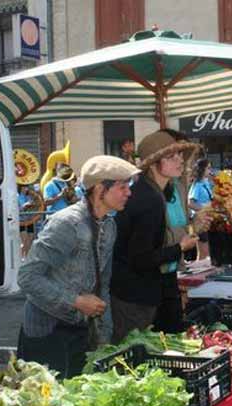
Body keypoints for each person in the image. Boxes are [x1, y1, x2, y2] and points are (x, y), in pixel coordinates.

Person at [17, 155, 140, 378]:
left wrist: (104, 342)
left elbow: (103, 288)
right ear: (101, 189)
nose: (129, 193)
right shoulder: (67, 224)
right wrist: (76, 301)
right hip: (46, 331)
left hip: (79, 330)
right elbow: (27, 278)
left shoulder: (109, 226)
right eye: (123, 187)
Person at [111, 129, 209, 343]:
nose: (180, 160)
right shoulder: (147, 198)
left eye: (180, 155)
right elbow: (141, 258)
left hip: (154, 287)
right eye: (171, 157)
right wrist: (179, 248)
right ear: (153, 163)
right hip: (135, 296)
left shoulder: (153, 192)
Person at [188, 158, 213, 261]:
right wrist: (204, 209)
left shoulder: (206, 182)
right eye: (208, 168)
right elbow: (190, 202)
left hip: (207, 219)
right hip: (200, 220)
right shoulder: (197, 185)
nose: (210, 170)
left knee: (207, 252)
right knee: (203, 253)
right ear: (202, 169)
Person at [18, 185, 38, 259]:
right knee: (24, 240)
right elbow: (17, 209)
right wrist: (25, 206)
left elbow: (34, 206)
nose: (26, 189)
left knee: (30, 239)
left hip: (30, 220)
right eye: (25, 187)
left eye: (27, 187)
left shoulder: (29, 197)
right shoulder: (17, 197)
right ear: (21, 188)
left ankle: (26, 256)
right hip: (21, 221)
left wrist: (33, 204)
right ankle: (22, 256)